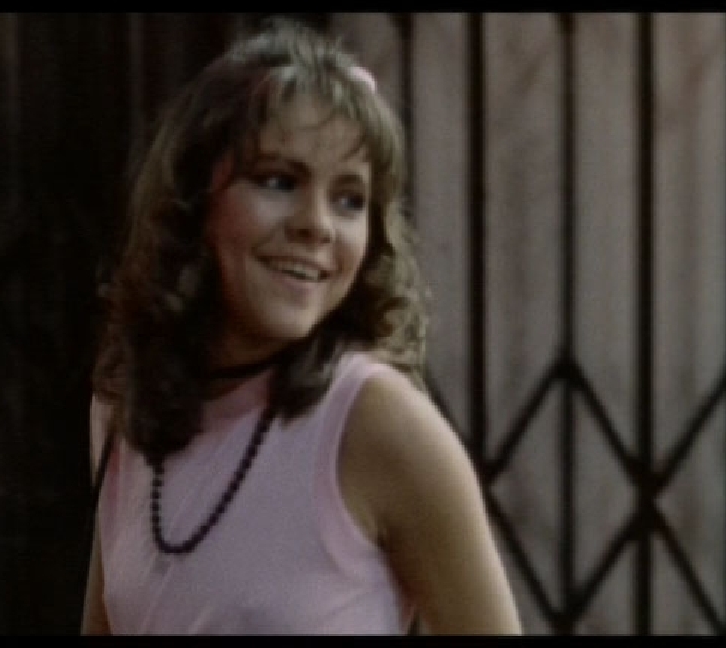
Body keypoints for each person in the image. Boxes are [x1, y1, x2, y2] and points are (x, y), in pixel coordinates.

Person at [81, 17, 522, 635]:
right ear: (194, 201)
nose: (317, 224)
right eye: (279, 182)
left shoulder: (378, 424)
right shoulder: (124, 408)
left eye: (349, 199)